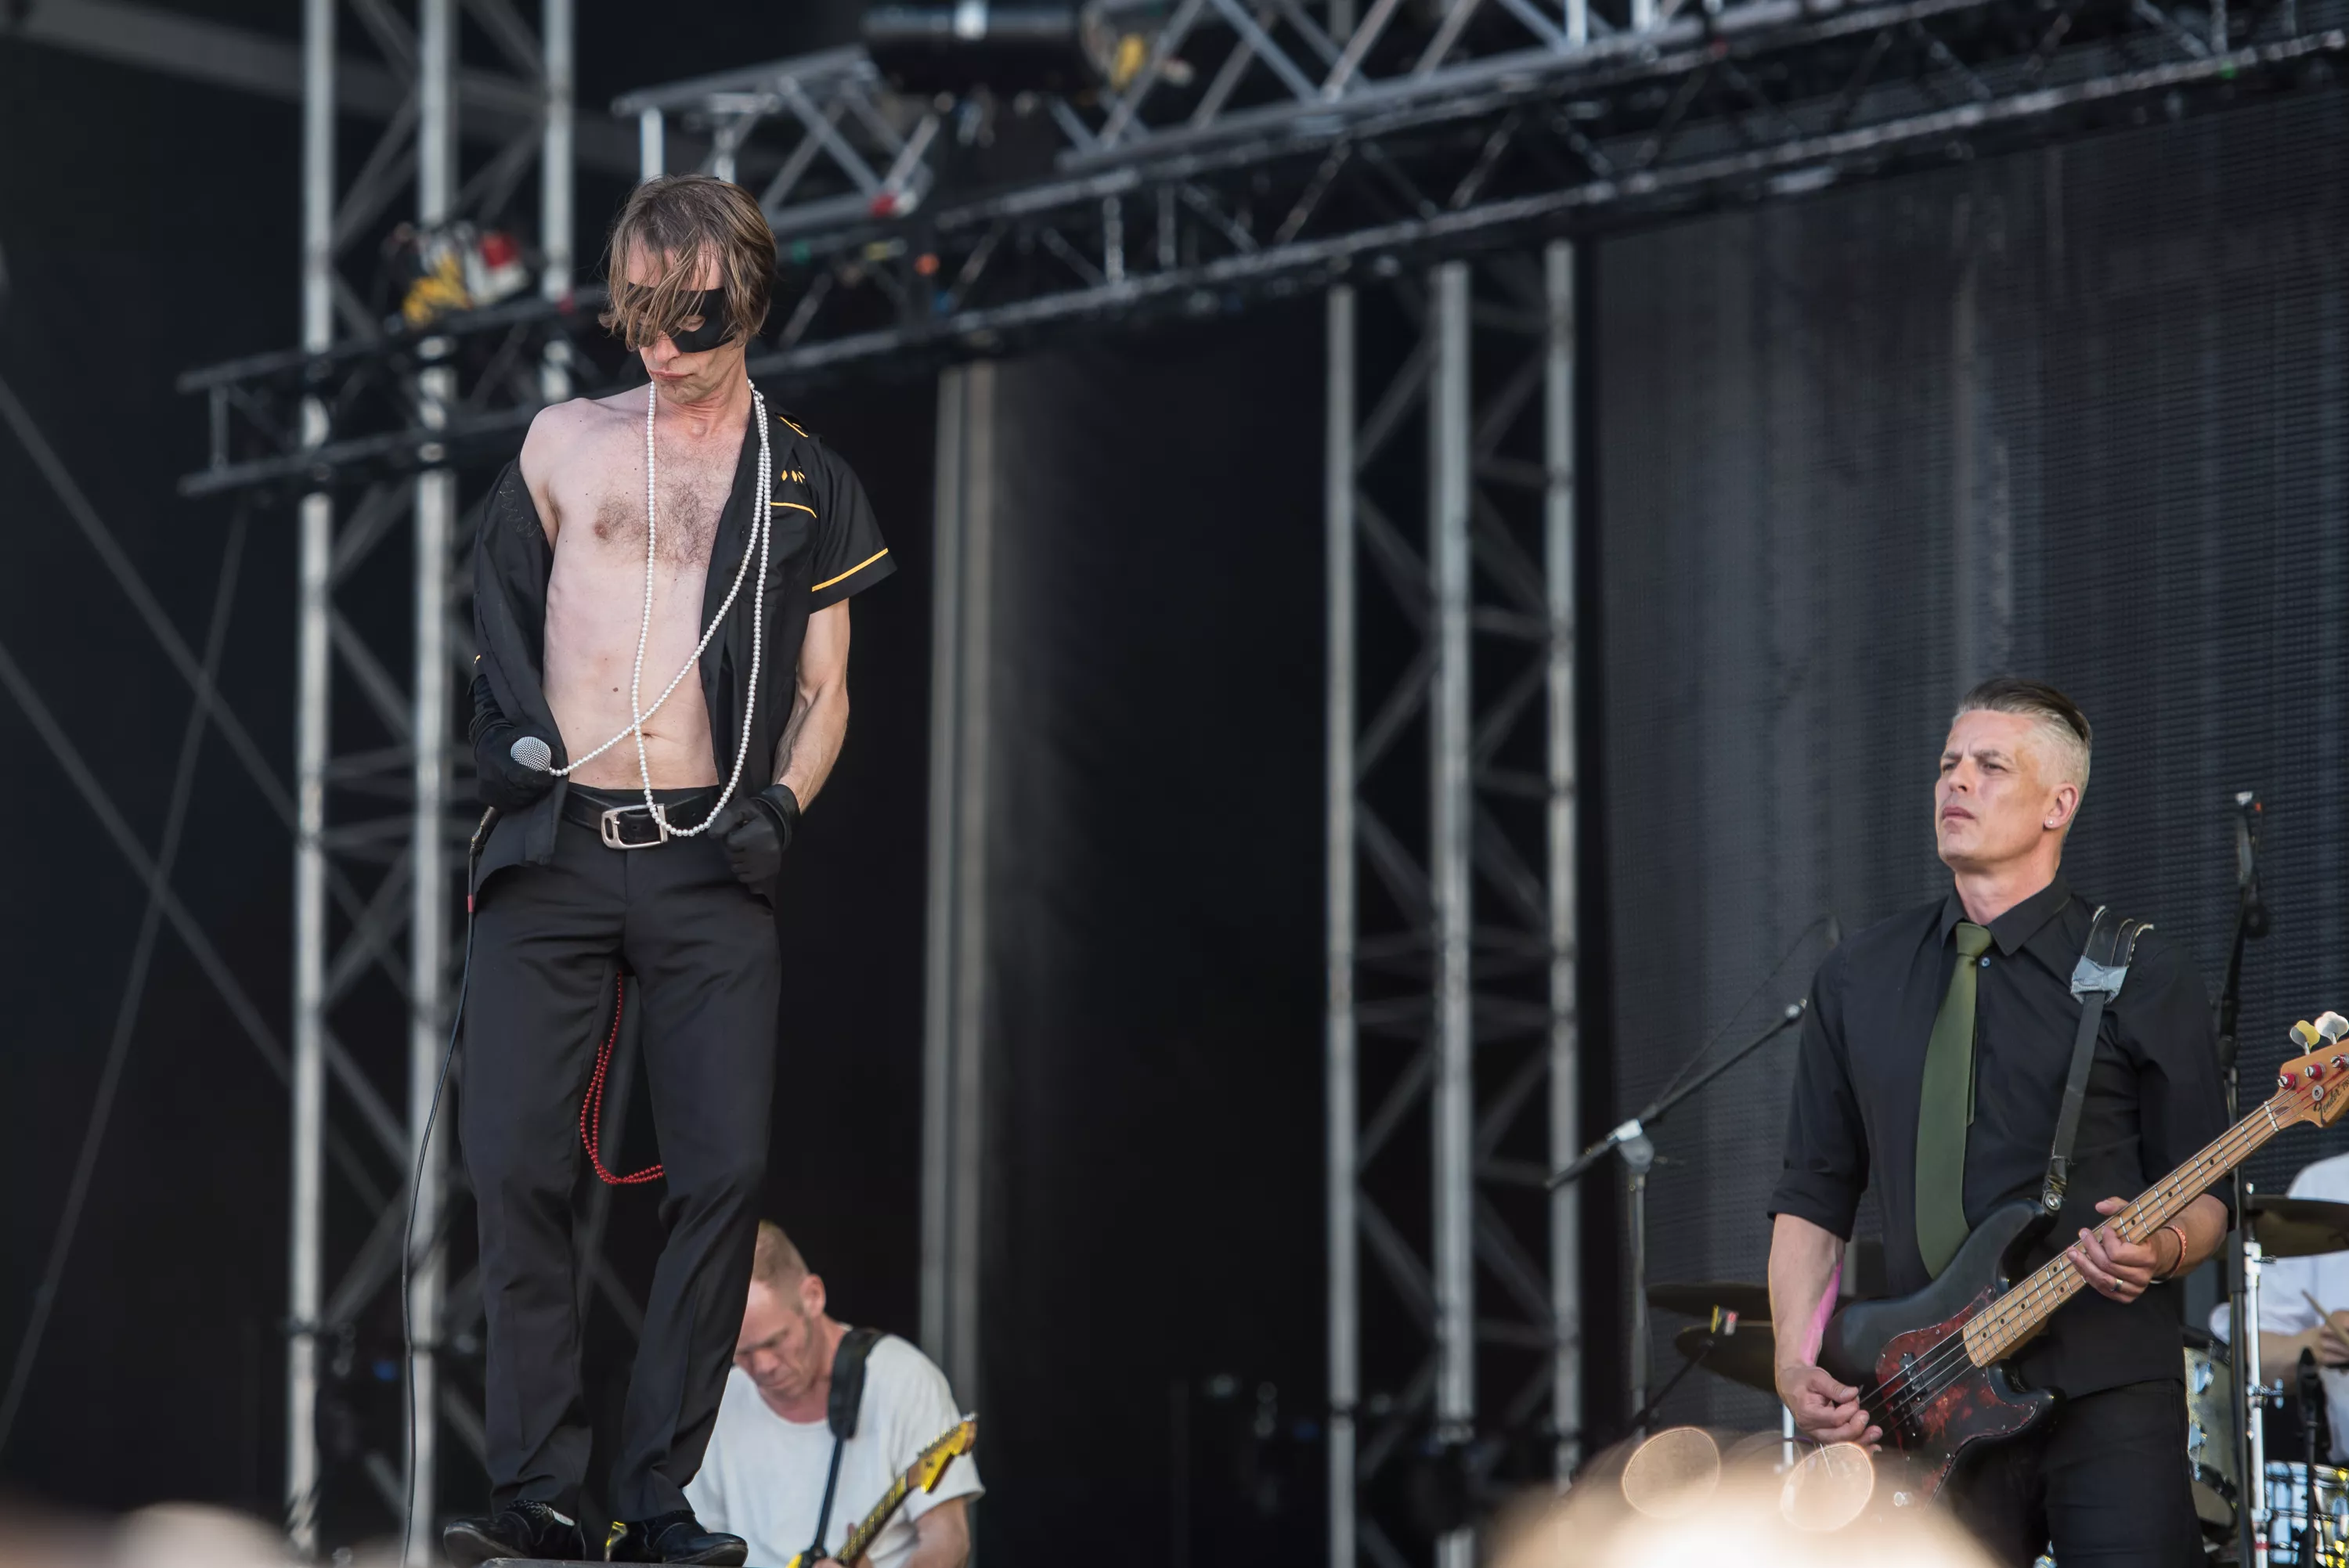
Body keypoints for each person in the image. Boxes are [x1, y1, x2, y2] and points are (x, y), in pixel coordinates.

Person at [444, 175, 897, 1567]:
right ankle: (537, 1489)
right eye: (636, 316)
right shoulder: (564, 440)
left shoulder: (803, 476)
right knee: (509, 1159)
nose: (659, 347)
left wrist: (783, 806)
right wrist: (505, 737)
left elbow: (826, 689)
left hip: (709, 852)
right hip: (560, 843)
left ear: (745, 300)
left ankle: (654, 1497)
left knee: (722, 1173)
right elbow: (490, 622)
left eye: (688, 319)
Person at [1766, 676, 2232, 1566]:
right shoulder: (1858, 976)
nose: (1957, 781)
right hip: (1925, 1399)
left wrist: (2164, 1248)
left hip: (2106, 1385)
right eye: (1949, 764)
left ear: (2060, 803)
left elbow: (2209, 1194)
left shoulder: (2140, 969)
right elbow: (1814, 1196)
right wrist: (1794, 1360)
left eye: (1990, 766)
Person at [687, 1224, 980, 1568]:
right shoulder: (720, 1402)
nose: (763, 1366)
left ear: (813, 1296)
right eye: (742, 1352)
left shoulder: (903, 1379)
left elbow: (949, 1540)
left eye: (776, 1341)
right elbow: (704, 1542)